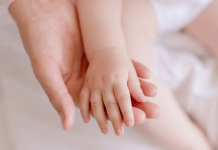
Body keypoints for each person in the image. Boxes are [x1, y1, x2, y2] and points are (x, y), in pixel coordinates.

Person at [2, 0, 216, 149]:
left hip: (195, 4)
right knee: (131, 76)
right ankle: (191, 143)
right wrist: (105, 51)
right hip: (137, 6)